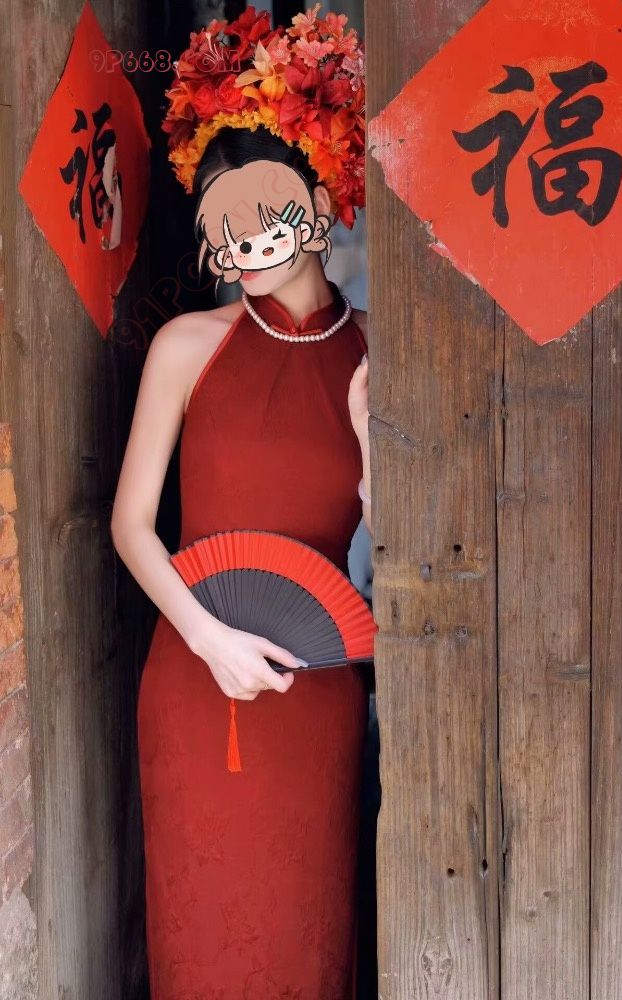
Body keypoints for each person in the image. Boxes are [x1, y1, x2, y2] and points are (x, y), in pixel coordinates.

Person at [110, 7, 372, 998]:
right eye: (226, 228)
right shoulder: (188, 344)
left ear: (320, 203)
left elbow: (404, 536)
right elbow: (131, 525)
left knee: (310, 921)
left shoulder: (380, 353)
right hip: (195, 670)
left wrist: (369, 425)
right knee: (208, 923)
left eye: (265, 216)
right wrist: (208, 638)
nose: (247, 244)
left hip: (317, 680)